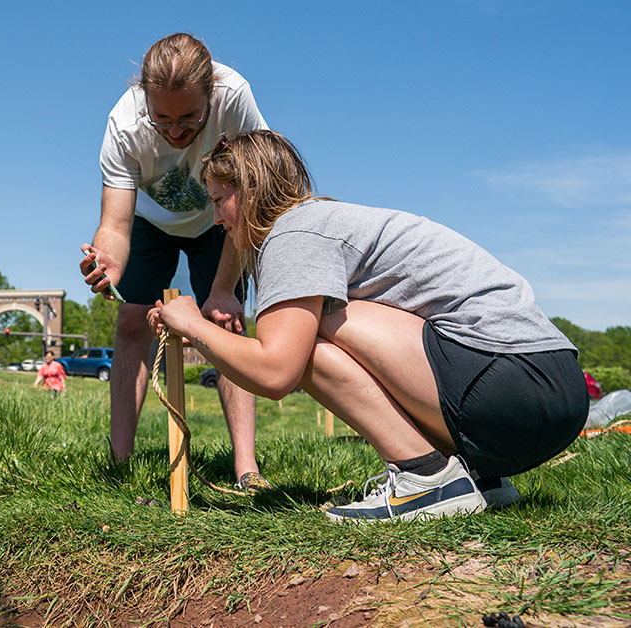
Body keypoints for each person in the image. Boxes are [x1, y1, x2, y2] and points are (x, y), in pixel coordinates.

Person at [149, 129, 588, 522]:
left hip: (513, 384)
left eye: (218, 201)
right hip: (549, 388)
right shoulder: (320, 223)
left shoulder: (293, 235)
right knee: (302, 329)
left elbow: (276, 372)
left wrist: (194, 326)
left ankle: (426, 477)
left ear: (249, 191)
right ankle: (478, 478)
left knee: (303, 338)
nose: (217, 219)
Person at [79, 33, 270, 491]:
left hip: (221, 215)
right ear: (144, 98)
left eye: (190, 118)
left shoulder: (235, 98)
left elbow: (254, 192)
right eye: (162, 119)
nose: (177, 132)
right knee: (130, 322)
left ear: (211, 94)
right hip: (150, 223)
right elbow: (115, 224)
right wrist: (108, 261)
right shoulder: (123, 125)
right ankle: (119, 465)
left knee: (226, 324)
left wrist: (224, 288)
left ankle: (247, 469)